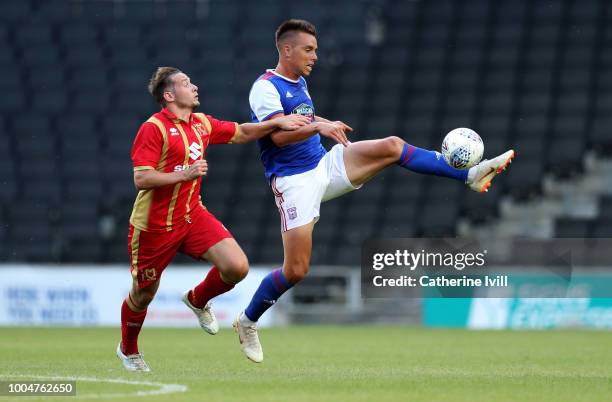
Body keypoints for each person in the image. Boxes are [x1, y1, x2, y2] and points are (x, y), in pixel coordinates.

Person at [233, 19, 515, 363]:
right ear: (286, 49)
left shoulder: (300, 82)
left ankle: (469, 175)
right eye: (309, 49)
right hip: (294, 182)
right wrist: (320, 126)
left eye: (316, 49)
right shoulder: (265, 88)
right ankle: (247, 321)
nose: (315, 56)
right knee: (296, 270)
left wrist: (322, 124)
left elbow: (303, 122)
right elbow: (277, 136)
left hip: (324, 165)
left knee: (393, 146)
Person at [116, 66, 310, 372]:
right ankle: (128, 350)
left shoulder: (201, 124)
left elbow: (242, 132)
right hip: (153, 227)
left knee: (236, 266)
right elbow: (142, 178)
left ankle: (197, 299)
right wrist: (184, 173)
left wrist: (277, 122)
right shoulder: (153, 129)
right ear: (169, 95)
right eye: (185, 83)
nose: (194, 86)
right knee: (142, 295)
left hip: (192, 215)